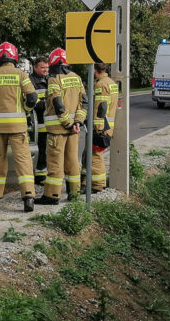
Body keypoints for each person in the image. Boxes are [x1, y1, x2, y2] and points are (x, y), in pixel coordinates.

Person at [0, 42, 38, 212]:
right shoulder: (21, 74)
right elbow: (32, 97)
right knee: (23, 161)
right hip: (18, 126)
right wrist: (25, 109)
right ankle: (28, 197)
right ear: (14, 56)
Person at [36, 48, 87, 205]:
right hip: (74, 131)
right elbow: (84, 102)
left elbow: (58, 104)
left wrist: (67, 123)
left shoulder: (54, 79)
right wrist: (77, 122)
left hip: (58, 131)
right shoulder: (77, 78)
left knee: (55, 164)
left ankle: (51, 196)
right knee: (73, 162)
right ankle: (74, 193)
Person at [89, 63, 119, 193]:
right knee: (95, 155)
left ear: (95, 70)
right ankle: (90, 181)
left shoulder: (101, 85)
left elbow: (100, 108)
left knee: (96, 156)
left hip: (101, 126)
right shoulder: (111, 82)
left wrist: (98, 128)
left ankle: (98, 185)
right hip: (108, 126)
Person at [29, 56, 49, 184]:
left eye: (47, 67)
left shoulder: (49, 79)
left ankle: (44, 173)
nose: (45, 70)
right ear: (35, 67)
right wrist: (48, 104)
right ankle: (39, 176)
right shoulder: (30, 81)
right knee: (40, 149)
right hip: (37, 121)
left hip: (49, 121)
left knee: (47, 150)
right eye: (42, 67)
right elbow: (33, 100)